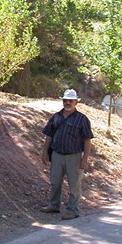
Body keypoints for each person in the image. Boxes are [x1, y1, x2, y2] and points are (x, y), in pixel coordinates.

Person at [41, 89, 93, 220]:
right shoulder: (56, 117)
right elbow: (49, 135)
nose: (67, 103)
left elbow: (87, 140)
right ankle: (54, 205)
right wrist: (45, 152)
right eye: (65, 101)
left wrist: (85, 158)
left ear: (76, 102)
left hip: (74, 156)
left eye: (70, 101)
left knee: (74, 184)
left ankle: (72, 210)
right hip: (57, 155)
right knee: (54, 182)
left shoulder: (82, 119)